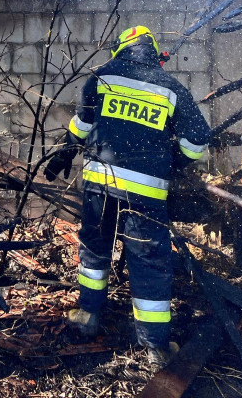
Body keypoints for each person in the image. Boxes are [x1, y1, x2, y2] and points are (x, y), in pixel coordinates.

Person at [44, 25, 211, 366]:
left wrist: (66, 152)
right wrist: (171, 160)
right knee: (149, 259)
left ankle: (88, 315)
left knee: (94, 246)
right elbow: (197, 142)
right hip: (146, 189)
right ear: (153, 53)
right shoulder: (171, 88)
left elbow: (83, 124)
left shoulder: (101, 77)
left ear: (120, 49)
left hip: (99, 182)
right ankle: (155, 348)